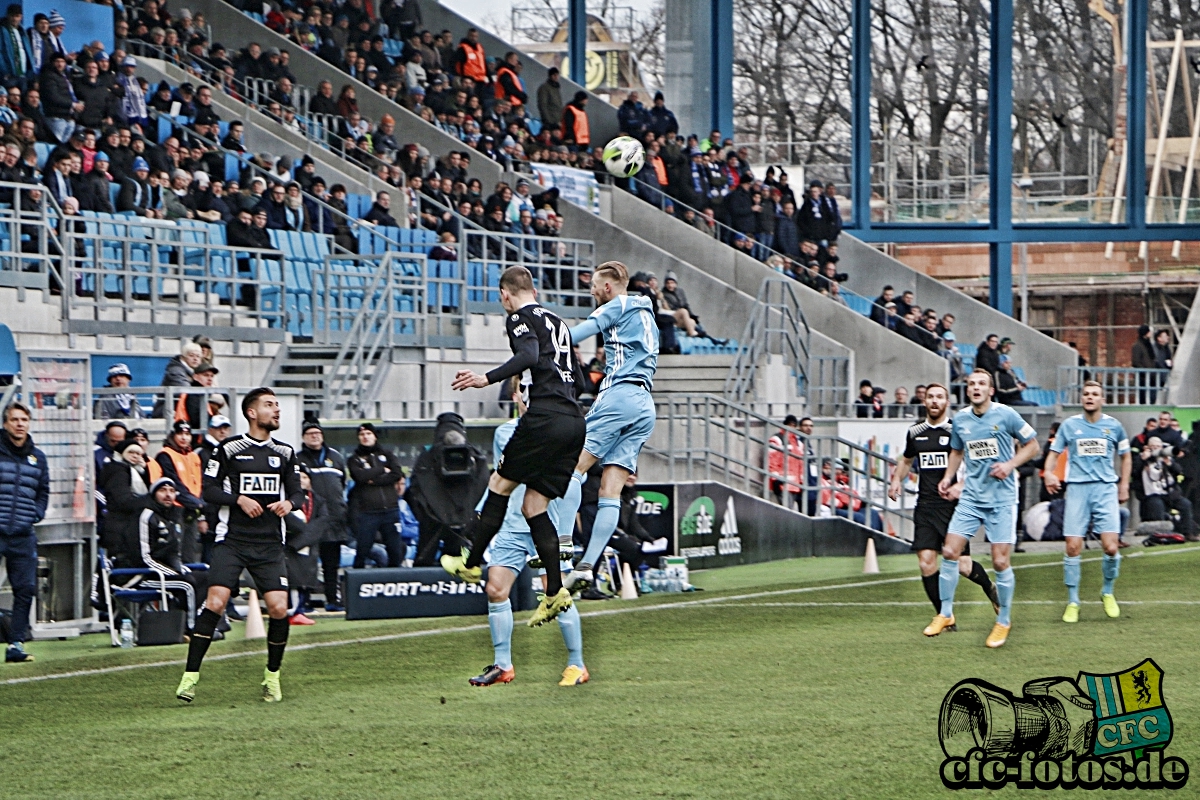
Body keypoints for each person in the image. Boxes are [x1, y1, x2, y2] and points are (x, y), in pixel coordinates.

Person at [442, 266, 587, 627]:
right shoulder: (560, 323)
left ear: (505, 293)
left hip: (546, 418)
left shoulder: (520, 318)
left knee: (499, 484)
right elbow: (580, 380)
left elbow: (527, 356)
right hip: (574, 421)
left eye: (500, 297)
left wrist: (484, 379)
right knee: (534, 504)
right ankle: (555, 592)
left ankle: (471, 563)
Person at [176, 388, 304, 704]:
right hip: (232, 541)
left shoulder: (286, 453)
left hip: (270, 543)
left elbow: (298, 494)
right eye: (269, 405)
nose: (276, 411)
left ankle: (272, 676)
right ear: (251, 412)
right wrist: (238, 499)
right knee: (216, 602)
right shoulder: (228, 449)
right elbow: (208, 489)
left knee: (278, 608)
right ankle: (190, 677)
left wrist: (289, 503)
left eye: (277, 405)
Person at [549, 262, 659, 595]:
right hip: (644, 404)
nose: (592, 292)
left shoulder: (618, 304)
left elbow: (572, 337)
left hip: (619, 394)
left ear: (609, 287)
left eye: (595, 286)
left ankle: (565, 545)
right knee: (611, 491)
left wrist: (539, 339)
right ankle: (587, 566)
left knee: (572, 467)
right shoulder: (645, 308)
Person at [470, 377, 588, 688]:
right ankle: (502, 665)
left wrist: (565, 526)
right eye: (522, 390)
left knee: (556, 593)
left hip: (545, 525)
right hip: (511, 523)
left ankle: (577, 664)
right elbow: (501, 478)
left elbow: (574, 479)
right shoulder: (504, 433)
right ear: (515, 396)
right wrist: (484, 507)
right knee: (495, 588)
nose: (528, 395)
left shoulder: (559, 430)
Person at [932, 370, 1039, 648]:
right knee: (949, 551)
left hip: (1001, 500)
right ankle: (945, 614)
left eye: (982, 383)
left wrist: (1010, 465)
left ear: (991, 390)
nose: (976, 388)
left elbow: (1033, 446)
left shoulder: (1007, 415)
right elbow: (957, 451)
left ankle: (1003, 620)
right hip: (971, 497)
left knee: (1001, 562)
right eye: (971, 384)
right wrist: (948, 477)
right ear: (967, 390)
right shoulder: (962, 420)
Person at [888, 384, 999, 636]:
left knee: (962, 565)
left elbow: (976, 463)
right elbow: (906, 459)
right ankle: (944, 616)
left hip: (953, 508)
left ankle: (989, 587)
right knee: (926, 563)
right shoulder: (915, 432)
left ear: (947, 402)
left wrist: (960, 485)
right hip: (925, 507)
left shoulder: (957, 430)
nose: (934, 401)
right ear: (924, 401)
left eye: (939, 397)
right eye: (930, 397)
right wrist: (896, 480)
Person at [1041, 381, 1131, 624]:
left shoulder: (1114, 426)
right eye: (1086, 394)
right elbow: (1053, 454)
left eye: (1095, 394)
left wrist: (1123, 485)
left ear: (1102, 399)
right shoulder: (1070, 426)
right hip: (1078, 490)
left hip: (1105, 490)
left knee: (1111, 548)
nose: (1090, 397)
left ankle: (1108, 592)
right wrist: (1049, 473)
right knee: (1072, 547)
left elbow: (1126, 456)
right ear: (1082, 399)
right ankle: (1073, 601)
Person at [405, 412, 489, 566]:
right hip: (463, 518)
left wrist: (428, 513)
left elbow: (415, 489)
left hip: (435, 520)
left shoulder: (427, 457)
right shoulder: (475, 457)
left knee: (426, 556)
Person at [0, 402, 48, 663]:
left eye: (24, 420)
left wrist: (36, 514)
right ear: (5, 424)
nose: (19, 424)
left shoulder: (37, 457)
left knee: (25, 588)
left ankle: (15, 644)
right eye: (14, 419)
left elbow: (43, 490)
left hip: (22, 533)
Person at [296, 421, 349, 611]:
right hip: (309, 518)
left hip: (334, 518)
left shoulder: (335, 457)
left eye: (317, 433)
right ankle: (305, 600)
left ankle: (332, 600)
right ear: (303, 437)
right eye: (310, 433)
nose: (314, 436)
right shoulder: (297, 458)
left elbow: (341, 484)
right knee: (306, 562)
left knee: (331, 563)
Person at [347, 422, 404, 568]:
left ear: (375, 436)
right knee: (363, 549)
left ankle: (394, 581)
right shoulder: (354, 459)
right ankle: (356, 582)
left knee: (395, 550)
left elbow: (397, 474)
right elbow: (359, 477)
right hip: (368, 512)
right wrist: (381, 470)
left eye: (368, 434)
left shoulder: (388, 454)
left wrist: (373, 480)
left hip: (390, 510)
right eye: (362, 434)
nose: (365, 437)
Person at [154, 420, 206, 564]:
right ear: (173, 435)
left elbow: (200, 481)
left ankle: (191, 578)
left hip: (192, 508)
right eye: (180, 434)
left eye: (187, 434)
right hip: (176, 507)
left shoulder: (194, 456)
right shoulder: (166, 455)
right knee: (176, 547)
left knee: (190, 549)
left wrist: (199, 502)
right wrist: (195, 502)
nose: (184, 438)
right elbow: (174, 482)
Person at [537, 66, 563, 131]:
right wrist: (548, 121)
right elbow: (542, 105)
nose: (556, 77)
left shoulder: (556, 88)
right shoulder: (544, 88)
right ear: (550, 76)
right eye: (554, 75)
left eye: (557, 75)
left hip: (558, 121)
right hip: (550, 123)